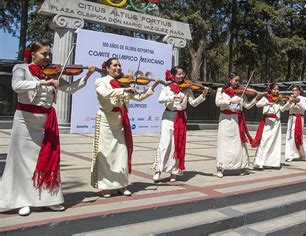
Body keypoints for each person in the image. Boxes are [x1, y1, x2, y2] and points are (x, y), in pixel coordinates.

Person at [0, 42, 95, 216]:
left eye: (49, 54)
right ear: (33, 54)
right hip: (25, 121)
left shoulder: (54, 72)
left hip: (46, 121)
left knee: (47, 159)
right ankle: (22, 200)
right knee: (22, 162)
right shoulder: (22, 68)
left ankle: (48, 199)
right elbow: (16, 86)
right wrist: (43, 82)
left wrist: (86, 76)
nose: (48, 58)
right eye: (44, 54)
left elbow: (71, 89)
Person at [91, 58, 160, 198]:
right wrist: (123, 90)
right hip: (105, 119)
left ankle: (122, 185)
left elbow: (139, 97)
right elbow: (104, 93)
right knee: (106, 154)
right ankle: (106, 187)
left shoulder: (125, 83)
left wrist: (153, 87)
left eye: (119, 65)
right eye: (115, 65)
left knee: (122, 153)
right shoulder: (101, 81)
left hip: (120, 121)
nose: (118, 68)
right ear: (107, 68)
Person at [152, 66, 208, 182]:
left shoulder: (187, 89)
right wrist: (173, 96)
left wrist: (203, 95)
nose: (182, 76)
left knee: (177, 145)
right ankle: (158, 170)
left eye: (183, 74)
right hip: (168, 117)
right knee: (164, 144)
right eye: (179, 74)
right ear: (173, 76)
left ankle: (174, 172)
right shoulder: (167, 87)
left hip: (181, 117)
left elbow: (193, 103)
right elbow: (160, 99)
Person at [215, 73, 262, 178]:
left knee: (239, 144)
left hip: (237, 120)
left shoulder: (241, 92)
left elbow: (247, 106)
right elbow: (218, 102)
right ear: (229, 80)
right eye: (236, 80)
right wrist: (230, 100)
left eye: (238, 81)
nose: (238, 83)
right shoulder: (221, 90)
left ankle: (242, 167)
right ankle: (220, 168)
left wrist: (256, 99)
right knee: (224, 143)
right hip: (225, 120)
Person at [253, 83, 284, 169]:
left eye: (277, 89)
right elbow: (257, 104)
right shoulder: (265, 98)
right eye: (274, 89)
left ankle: (272, 163)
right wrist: (267, 103)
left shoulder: (280, 99)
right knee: (264, 141)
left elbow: (283, 109)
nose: (276, 91)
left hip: (276, 122)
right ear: (270, 89)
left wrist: (289, 102)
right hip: (267, 121)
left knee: (274, 142)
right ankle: (260, 162)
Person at [282, 86, 306, 161]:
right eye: (293, 90)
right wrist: (289, 102)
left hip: (299, 118)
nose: (294, 92)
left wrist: (296, 102)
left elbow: (303, 108)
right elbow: (284, 109)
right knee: (289, 136)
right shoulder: (290, 99)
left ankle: (305, 154)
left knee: (298, 137)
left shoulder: (303, 98)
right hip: (291, 119)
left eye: (295, 90)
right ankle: (291, 155)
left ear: (299, 91)